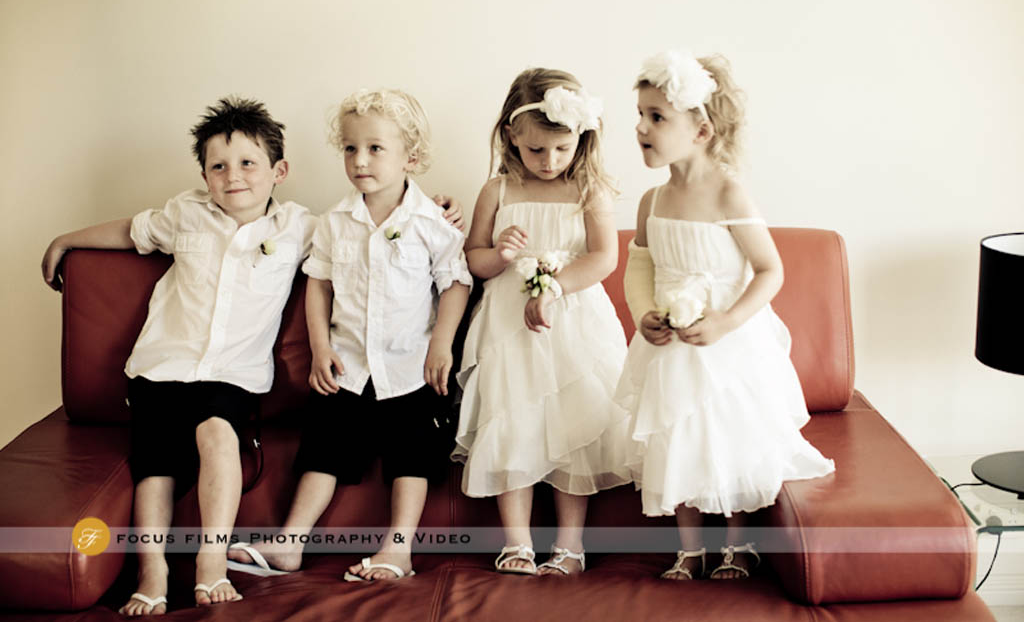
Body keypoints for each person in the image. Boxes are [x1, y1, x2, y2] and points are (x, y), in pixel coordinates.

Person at [41, 98, 464, 614]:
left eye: (247, 163)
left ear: (278, 172)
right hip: (161, 366)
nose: (233, 176)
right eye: (218, 166)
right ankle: (152, 573)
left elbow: (387, 243)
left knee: (221, 435)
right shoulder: (188, 214)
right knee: (155, 468)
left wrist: (432, 207)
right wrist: (66, 241)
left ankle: (211, 563)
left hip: (235, 374)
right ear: (203, 176)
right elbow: (131, 230)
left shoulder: (302, 225)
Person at [227, 88, 470, 582]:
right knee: (322, 449)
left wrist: (441, 345)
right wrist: (319, 347)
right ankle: (290, 544)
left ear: (410, 157)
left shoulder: (431, 221)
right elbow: (319, 285)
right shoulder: (335, 222)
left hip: (411, 366)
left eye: (376, 148)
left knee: (412, 455)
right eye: (351, 148)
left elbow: (456, 283)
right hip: (348, 365)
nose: (360, 160)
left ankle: (397, 551)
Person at [616, 50, 834, 581]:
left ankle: (738, 543)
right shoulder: (651, 201)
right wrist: (643, 313)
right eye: (640, 114)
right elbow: (640, 266)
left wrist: (725, 322)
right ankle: (690, 549)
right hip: (673, 347)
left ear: (702, 130)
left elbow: (769, 270)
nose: (641, 127)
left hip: (727, 344)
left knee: (730, 436)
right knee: (679, 436)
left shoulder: (729, 193)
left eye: (657, 117)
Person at [451, 68, 631, 576]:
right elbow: (474, 259)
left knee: (575, 426)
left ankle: (570, 547)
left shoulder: (589, 190)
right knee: (512, 421)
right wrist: (500, 254)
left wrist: (554, 287)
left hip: (572, 322)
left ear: (581, 139)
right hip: (509, 326)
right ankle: (517, 544)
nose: (549, 161)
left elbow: (603, 258)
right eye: (536, 150)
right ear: (512, 135)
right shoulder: (497, 190)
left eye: (561, 149)